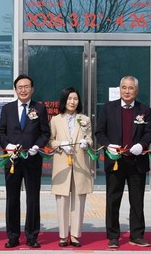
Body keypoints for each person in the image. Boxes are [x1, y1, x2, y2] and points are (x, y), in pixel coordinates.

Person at [95, 75, 151, 248]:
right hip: (115, 161)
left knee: (137, 200)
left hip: (136, 161)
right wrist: (108, 145)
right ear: (120, 89)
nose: (127, 91)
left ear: (137, 90)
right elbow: (100, 132)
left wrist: (142, 145)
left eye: (131, 88)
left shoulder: (144, 109)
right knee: (113, 199)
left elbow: (149, 132)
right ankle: (113, 236)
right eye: (124, 88)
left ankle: (137, 235)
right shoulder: (108, 108)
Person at [0, 74, 50, 248]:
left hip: (32, 160)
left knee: (33, 198)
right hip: (12, 161)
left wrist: (37, 146)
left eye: (26, 87)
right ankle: (13, 236)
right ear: (15, 89)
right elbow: (1, 132)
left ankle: (32, 236)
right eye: (20, 87)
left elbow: (45, 133)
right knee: (12, 198)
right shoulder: (7, 109)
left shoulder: (39, 108)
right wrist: (8, 146)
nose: (23, 90)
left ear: (32, 89)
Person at [48, 87, 93, 248]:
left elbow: (90, 139)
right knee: (62, 200)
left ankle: (75, 234)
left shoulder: (85, 119)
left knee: (79, 200)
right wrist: (61, 144)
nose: (72, 102)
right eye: (69, 99)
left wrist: (86, 143)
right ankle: (62, 235)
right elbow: (50, 140)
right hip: (63, 164)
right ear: (64, 101)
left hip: (80, 164)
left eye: (75, 99)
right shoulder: (56, 120)